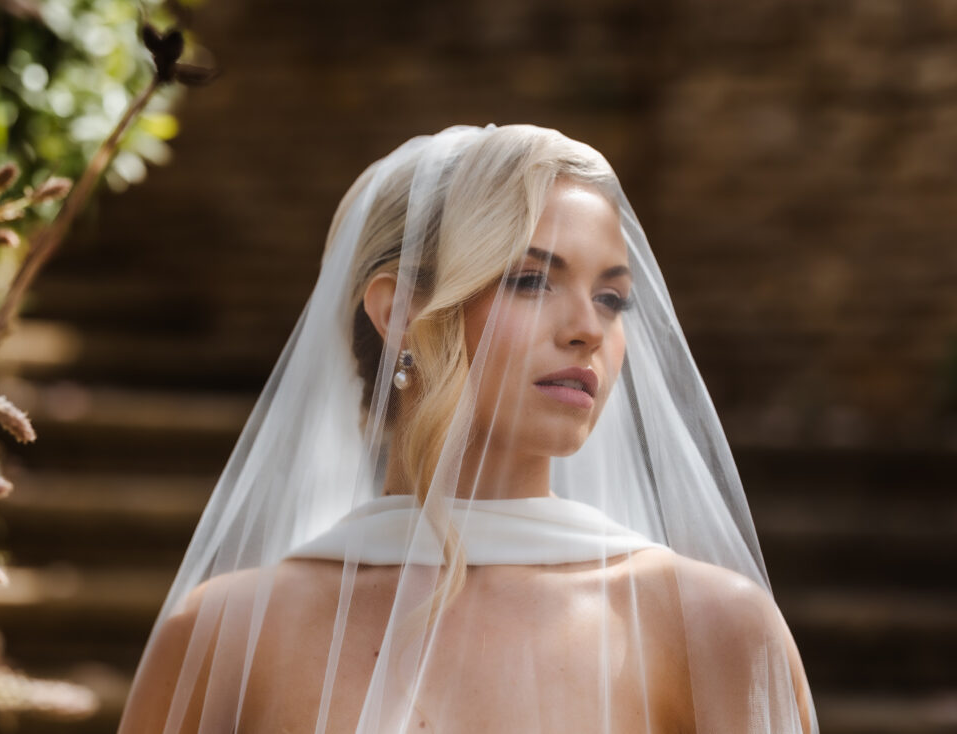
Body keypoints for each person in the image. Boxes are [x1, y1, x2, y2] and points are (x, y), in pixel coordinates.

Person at [118, 123, 818, 733]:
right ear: (398, 313)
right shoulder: (224, 635)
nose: (587, 330)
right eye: (530, 280)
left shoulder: (714, 629)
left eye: (612, 298)